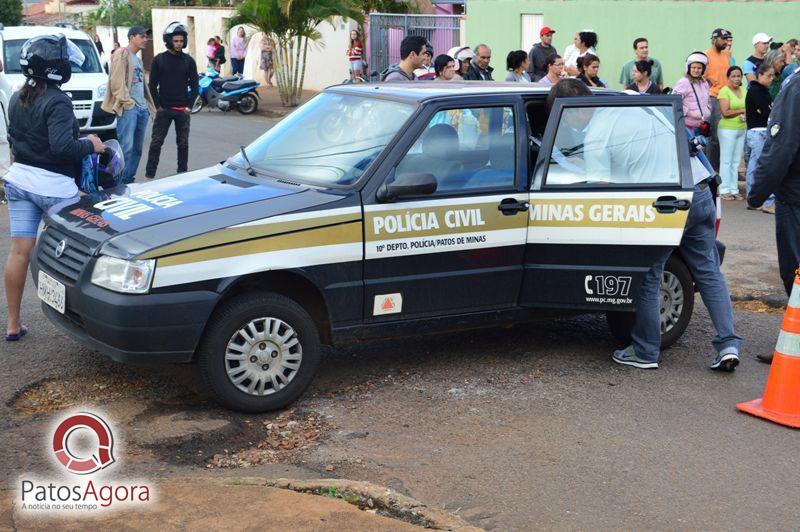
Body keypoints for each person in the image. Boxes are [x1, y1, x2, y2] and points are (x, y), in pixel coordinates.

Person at [3, 34, 105, 341]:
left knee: (19, 253)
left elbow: (20, 139)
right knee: (79, 253)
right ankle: (87, 324)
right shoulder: (58, 100)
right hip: (54, 187)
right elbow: (62, 148)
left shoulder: (17, 97)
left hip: (19, 181)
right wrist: (91, 144)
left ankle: (12, 324)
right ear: (55, 67)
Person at [748, 75, 800, 360]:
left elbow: (782, 145)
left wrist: (757, 193)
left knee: (795, 274)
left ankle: (793, 348)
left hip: (795, 196)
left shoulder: (796, 88)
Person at [102, 26, 156, 185]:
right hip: (129, 109)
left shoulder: (138, 59)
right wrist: (128, 103)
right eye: (142, 37)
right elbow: (116, 82)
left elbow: (141, 85)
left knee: (137, 150)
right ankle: (116, 183)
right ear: (132, 37)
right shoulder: (122, 54)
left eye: (146, 37)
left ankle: (127, 180)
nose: (145, 40)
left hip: (141, 109)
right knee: (126, 148)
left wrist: (148, 107)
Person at [144, 22, 199, 180]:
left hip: (183, 111)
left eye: (181, 41)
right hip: (164, 111)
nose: (179, 44)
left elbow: (195, 86)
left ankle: (182, 175)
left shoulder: (189, 61)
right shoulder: (159, 60)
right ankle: (149, 176)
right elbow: (152, 85)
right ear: (168, 40)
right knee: (156, 144)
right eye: (176, 41)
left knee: (183, 145)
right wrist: (158, 106)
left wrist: (189, 107)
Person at [745, 63, 776, 214]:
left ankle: (753, 199)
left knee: (754, 166)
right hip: (759, 132)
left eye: (773, 75)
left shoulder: (763, 91)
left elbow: (768, 109)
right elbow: (766, 111)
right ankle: (768, 201)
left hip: (757, 131)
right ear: (760, 75)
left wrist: (769, 109)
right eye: (769, 75)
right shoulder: (756, 91)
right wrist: (769, 109)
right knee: (765, 166)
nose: (772, 78)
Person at [717, 65, 747, 200]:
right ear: (728, 77)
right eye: (733, 76)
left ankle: (734, 189)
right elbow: (725, 112)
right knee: (726, 161)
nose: (736, 78)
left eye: (739, 76)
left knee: (736, 162)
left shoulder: (743, 90)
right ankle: (724, 190)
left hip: (741, 128)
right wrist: (742, 110)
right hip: (727, 129)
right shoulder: (724, 91)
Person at [705, 28, 733, 172]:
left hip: (726, 97)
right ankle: (711, 169)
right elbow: (700, 75)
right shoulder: (705, 55)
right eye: (723, 39)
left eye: (726, 39)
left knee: (725, 135)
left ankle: (723, 168)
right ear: (714, 39)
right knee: (714, 136)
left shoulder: (727, 54)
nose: (725, 42)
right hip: (713, 97)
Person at [672, 52, 711, 142]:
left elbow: (707, 100)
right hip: (688, 126)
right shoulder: (684, 82)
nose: (696, 70)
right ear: (688, 68)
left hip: (701, 126)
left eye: (699, 68)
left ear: (703, 69)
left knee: (700, 154)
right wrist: (690, 112)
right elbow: (675, 101)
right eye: (693, 67)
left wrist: (707, 112)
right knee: (690, 154)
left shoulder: (704, 82)